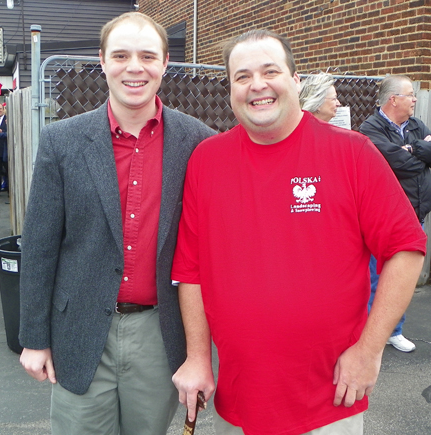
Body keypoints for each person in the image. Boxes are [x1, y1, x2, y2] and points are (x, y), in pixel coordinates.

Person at [171, 30, 426, 435]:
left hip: (329, 401)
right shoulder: (207, 161)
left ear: (294, 81)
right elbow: (190, 270)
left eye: (270, 71)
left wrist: (369, 350)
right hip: (237, 403)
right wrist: (198, 357)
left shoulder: (352, 152)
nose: (257, 85)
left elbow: (407, 248)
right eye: (242, 76)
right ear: (231, 88)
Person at [18, 12, 215, 435]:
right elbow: (39, 245)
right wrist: (34, 337)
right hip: (80, 328)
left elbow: (208, 248)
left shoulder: (197, 141)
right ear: (103, 61)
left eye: (147, 56)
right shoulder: (62, 140)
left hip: (159, 331)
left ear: (165, 63)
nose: (134, 67)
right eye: (121, 55)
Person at [359, 74, 431, 353]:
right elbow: (394, 163)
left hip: (416, 215)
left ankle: (394, 331)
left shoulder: (416, 125)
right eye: (409, 94)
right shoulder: (371, 128)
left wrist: (411, 149)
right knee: (376, 277)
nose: (414, 99)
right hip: (384, 218)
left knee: (403, 279)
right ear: (393, 99)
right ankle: (369, 333)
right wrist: (419, 155)